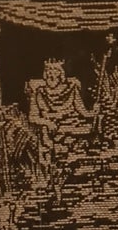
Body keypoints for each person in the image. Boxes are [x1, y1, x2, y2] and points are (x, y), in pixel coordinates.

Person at [26, 57, 92, 193]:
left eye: (54, 71)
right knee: (47, 145)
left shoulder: (71, 89)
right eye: (48, 71)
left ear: (60, 73)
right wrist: (47, 122)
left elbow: (83, 112)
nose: (51, 74)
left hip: (70, 129)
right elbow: (32, 117)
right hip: (49, 132)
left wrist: (94, 112)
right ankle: (52, 180)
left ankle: (66, 179)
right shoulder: (39, 93)